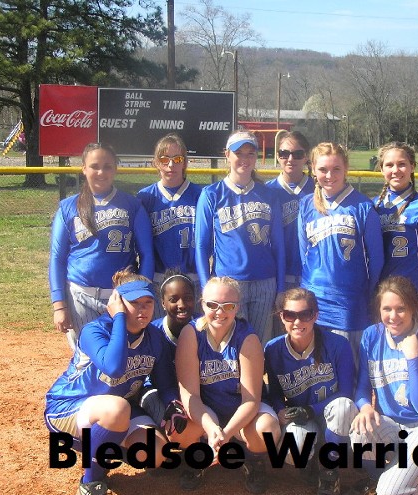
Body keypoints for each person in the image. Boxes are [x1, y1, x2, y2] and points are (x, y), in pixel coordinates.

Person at [44, 269, 195, 495]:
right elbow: (113, 367)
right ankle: (91, 480)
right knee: (118, 408)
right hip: (69, 407)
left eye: (148, 302)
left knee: (155, 453)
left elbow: (164, 383)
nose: (143, 309)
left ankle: (103, 446)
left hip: (116, 412)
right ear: (117, 303)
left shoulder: (154, 337)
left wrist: (172, 404)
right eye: (134, 303)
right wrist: (119, 319)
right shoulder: (95, 331)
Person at [339, 275, 418, 495]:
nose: (393, 316)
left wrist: (413, 359)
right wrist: (365, 407)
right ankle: (406, 477)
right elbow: (363, 387)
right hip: (391, 424)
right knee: (360, 431)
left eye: (401, 309)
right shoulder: (372, 335)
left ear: (413, 308)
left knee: (390, 494)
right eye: (386, 309)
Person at [175, 276, 282, 494]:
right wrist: (211, 428)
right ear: (202, 304)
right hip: (207, 411)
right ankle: (198, 455)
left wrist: (225, 433)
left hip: (243, 413)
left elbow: (251, 400)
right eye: (212, 305)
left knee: (266, 431)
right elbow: (190, 396)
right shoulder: (191, 334)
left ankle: (252, 459)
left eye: (228, 306)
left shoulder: (247, 338)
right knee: (178, 429)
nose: (220, 312)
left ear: (238, 307)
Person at [49, 143, 154, 350]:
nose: (101, 172)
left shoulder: (131, 205)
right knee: (86, 357)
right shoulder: (68, 207)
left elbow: (146, 253)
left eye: (107, 166)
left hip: (121, 297)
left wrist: (140, 292)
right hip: (80, 295)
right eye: (94, 166)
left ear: (115, 168)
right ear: (84, 168)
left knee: (122, 354)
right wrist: (59, 304)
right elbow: (57, 257)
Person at [264, 287, 356, 495]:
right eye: (290, 315)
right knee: (292, 452)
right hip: (302, 417)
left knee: (344, 407)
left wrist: (311, 410)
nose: (297, 322)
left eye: (305, 314)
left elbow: (346, 392)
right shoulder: (273, 348)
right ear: (282, 317)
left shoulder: (337, 344)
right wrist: (279, 409)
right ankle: (312, 459)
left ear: (315, 315)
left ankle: (329, 472)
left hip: (332, 415)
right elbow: (275, 390)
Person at [195, 131, 285, 344]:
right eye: (239, 153)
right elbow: (201, 246)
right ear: (227, 155)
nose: (245, 159)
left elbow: (278, 246)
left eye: (250, 153)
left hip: (265, 282)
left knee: (260, 345)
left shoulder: (269, 195)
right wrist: (206, 288)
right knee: (231, 344)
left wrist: (281, 288)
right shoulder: (212, 194)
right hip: (229, 282)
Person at [298, 142, 384, 364]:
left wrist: (364, 293)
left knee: (348, 365)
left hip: (348, 302)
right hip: (314, 298)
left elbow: (376, 259)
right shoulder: (306, 205)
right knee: (315, 366)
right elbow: (303, 254)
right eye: (323, 169)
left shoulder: (362, 206)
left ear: (346, 168)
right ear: (313, 170)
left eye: (336, 169)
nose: (329, 175)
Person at [373, 141, 418, 330]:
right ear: (381, 169)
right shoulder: (372, 207)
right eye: (389, 165)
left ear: (412, 166)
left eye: (402, 164)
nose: (395, 170)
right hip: (384, 297)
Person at [137, 133, 203, 317]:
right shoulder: (146, 197)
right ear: (156, 163)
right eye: (164, 159)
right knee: (161, 331)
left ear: (185, 162)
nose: (171, 165)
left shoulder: (200, 195)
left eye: (177, 159)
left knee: (194, 332)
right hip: (159, 280)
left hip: (193, 279)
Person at [139, 269, 197, 426]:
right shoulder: (153, 332)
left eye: (188, 298)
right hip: (157, 391)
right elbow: (161, 382)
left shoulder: (203, 327)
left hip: (196, 393)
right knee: (175, 427)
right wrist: (174, 403)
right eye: (173, 299)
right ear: (163, 303)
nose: (181, 305)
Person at [265, 131, 315, 289]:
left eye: (297, 154)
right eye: (284, 153)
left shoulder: (318, 189)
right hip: (276, 274)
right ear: (277, 156)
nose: (290, 159)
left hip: (312, 275)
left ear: (306, 157)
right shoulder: (266, 192)